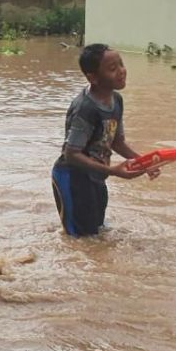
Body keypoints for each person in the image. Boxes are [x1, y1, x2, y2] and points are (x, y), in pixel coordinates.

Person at [51, 44, 157, 237]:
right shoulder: (86, 108)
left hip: (96, 177)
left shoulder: (116, 100)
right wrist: (113, 171)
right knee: (79, 240)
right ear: (93, 78)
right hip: (73, 177)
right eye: (112, 68)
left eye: (121, 64)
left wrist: (145, 162)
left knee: (97, 233)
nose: (121, 72)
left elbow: (116, 142)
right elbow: (71, 153)